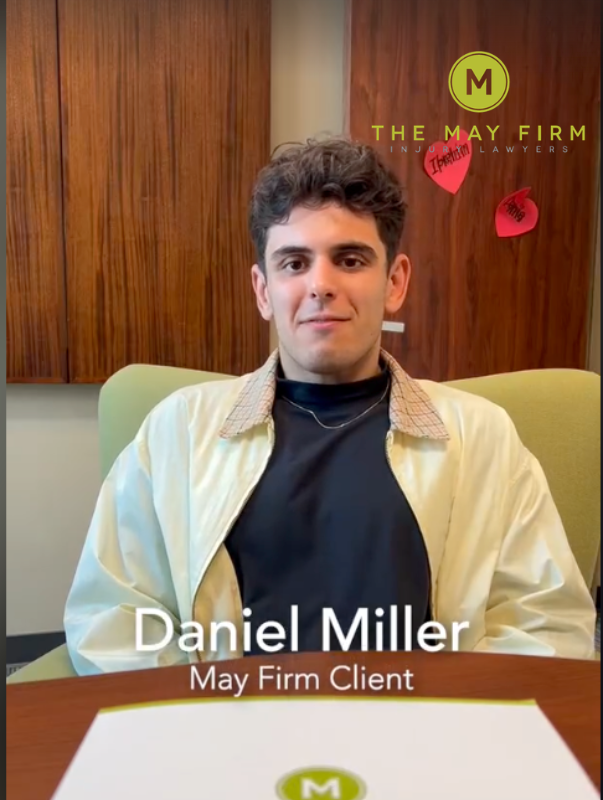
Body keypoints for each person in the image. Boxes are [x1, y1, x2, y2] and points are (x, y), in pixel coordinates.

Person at [64, 137, 596, 673]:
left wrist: (449, 718)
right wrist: (205, 716)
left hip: (420, 719)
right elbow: (114, 617)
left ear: (395, 282)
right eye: (294, 263)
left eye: (350, 259)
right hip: (233, 717)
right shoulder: (177, 430)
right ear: (263, 290)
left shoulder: (482, 437)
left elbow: (545, 624)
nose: (320, 284)